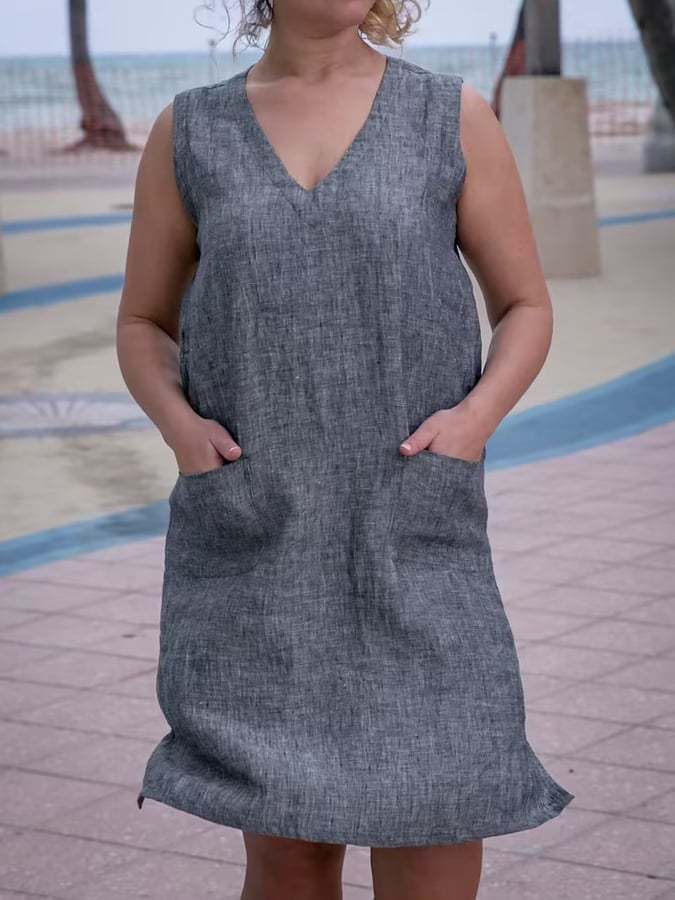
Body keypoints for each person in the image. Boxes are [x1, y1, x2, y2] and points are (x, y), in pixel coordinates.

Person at [117, 1, 574, 897]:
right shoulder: (191, 130)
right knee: (288, 854)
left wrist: (472, 423)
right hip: (259, 541)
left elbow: (525, 305)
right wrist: (180, 428)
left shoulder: (449, 115)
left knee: (439, 818)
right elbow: (143, 321)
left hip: (414, 529)